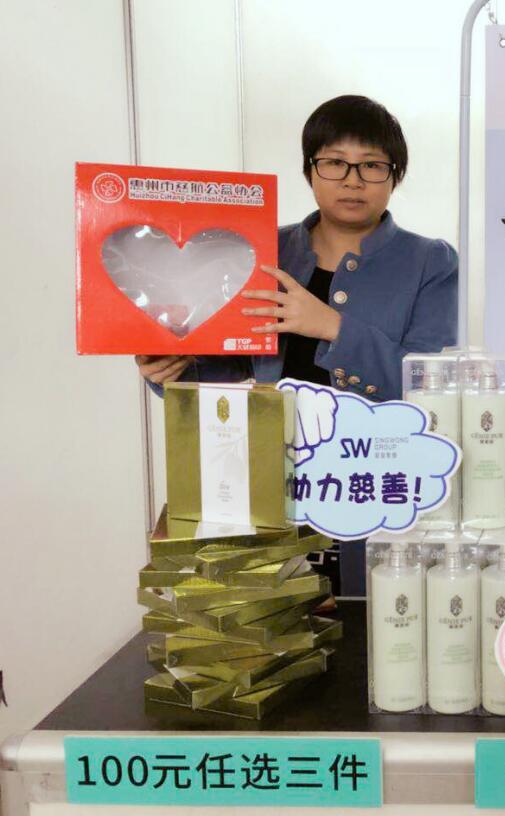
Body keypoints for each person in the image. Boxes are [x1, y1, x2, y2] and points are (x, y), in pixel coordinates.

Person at [137, 95, 458, 595]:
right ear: (309, 170)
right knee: (272, 619)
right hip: (271, 484)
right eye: (335, 162)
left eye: (372, 165)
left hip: (374, 487)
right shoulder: (260, 247)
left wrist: (333, 326)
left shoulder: (430, 262)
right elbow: (229, 368)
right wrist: (175, 370)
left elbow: (430, 387)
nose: (352, 180)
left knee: (369, 618)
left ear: (395, 176)